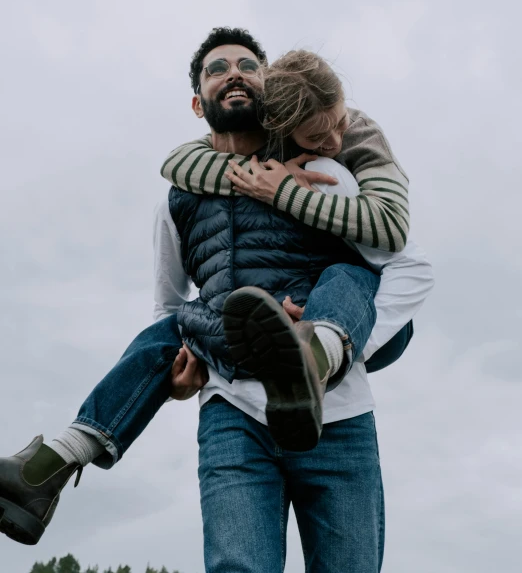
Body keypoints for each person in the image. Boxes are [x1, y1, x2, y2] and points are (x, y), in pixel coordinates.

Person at [0, 28, 433, 573]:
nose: (234, 73)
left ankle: (311, 357)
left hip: (338, 418)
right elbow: (166, 307)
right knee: (184, 326)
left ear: (269, 89)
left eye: (248, 65)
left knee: (350, 273)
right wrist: (180, 376)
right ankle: (56, 460)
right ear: (197, 100)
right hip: (233, 415)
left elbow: (405, 267)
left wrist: (338, 346)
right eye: (216, 68)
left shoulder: (323, 175)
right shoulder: (177, 202)